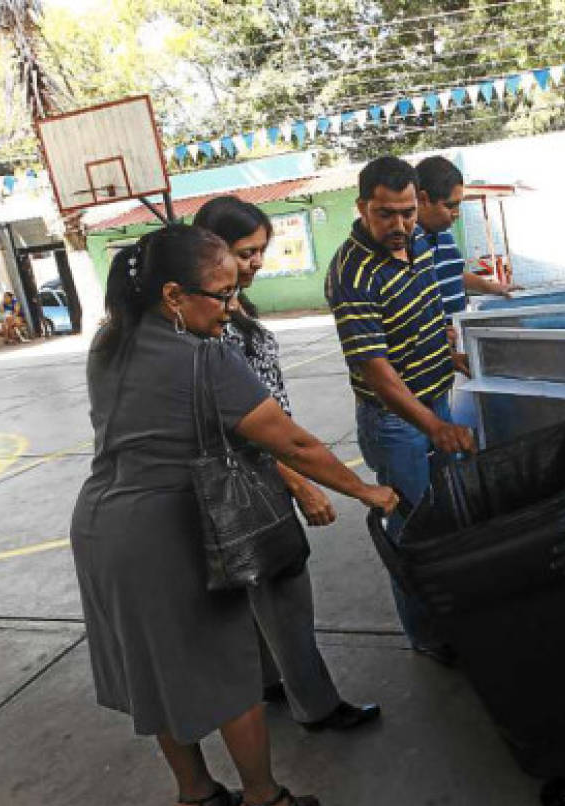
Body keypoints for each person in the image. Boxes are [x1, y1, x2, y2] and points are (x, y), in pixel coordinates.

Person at [69, 224, 397, 806]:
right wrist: (365, 489)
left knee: (156, 670)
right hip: (168, 531)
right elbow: (292, 441)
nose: (232, 306)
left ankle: (194, 792)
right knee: (231, 669)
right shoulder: (206, 357)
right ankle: (265, 802)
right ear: (173, 296)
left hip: (99, 528)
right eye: (220, 294)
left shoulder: (109, 342)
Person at [192, 195, 381, 732]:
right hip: (257, 472)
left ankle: (271, 681)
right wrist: (303, 485)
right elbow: (251, 429)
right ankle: (316, 705)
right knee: (284, 590)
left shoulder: (229, 309)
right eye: (245, 253)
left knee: (256, 589)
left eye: (260, 252)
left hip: (259, 468)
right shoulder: (213, 327)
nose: (255, 264)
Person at [325, 156, 475, 665]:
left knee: (451, 516)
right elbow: (377, 372)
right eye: (386, 214)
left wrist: (449, 354)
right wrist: (434, 427)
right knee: (414, 532)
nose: (400, 226)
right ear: (362, 207)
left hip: (435, 399)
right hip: (397, 425)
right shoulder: (351, 273)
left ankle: (455, 615)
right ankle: (427, 635)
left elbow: (429, 311)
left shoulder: (419, 245)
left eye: (408, 213)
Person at [413, 155, 516, 324]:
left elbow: (454, 274)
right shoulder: (407, 246)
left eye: (458, 205)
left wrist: (493, 288)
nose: (457, 214)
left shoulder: (444, 234)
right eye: (450, 206)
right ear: (423, 199)